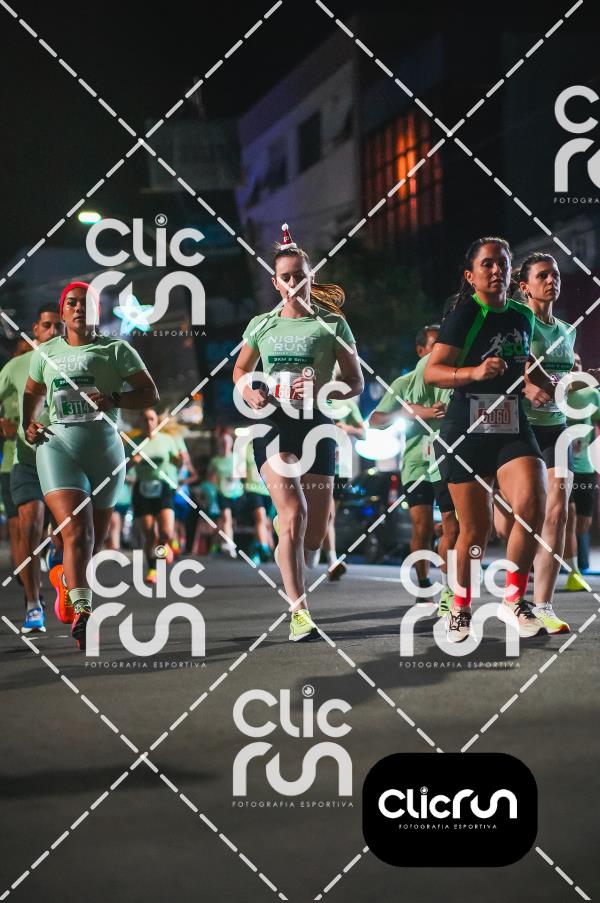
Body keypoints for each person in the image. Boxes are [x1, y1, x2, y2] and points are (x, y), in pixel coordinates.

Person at [233, 223, 363, 641]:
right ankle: (299, 611)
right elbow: (240, 370)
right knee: (294, 514)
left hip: (317, 426)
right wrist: (251, 390)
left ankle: (289, 535)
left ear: (311, 277)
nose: (292, 283)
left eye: (299, 275)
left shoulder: (332, 324)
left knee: (314, 534)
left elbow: (355, 382)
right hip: (273, 424)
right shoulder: (262, 324)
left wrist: (323, 390)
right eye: (285, 277)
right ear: (275, 282)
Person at [424, 237, 547, 643]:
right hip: (467, 428)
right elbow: (433, 372)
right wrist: (474, 374)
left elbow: (522, 362)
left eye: (503, 264)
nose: (497, 271)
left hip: (511, 422)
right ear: (470, 275)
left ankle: (514, 600)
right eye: (488, 264)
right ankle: (459, 609)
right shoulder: (464, 315)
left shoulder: (522, 315)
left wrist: (539, 383)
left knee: (533, 504)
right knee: (474, 532)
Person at [23, 282, 158, 650]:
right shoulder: (45, 352)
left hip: (105, 450)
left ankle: (68, 581)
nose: (79, 308)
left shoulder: (116, 350)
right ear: (63, 311)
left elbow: (150, 393)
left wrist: (114, 398)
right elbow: (33, 392)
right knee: (77, 532)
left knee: (92, 542)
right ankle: (84, 612)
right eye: (72, 303)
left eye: (86, 303)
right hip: (57, 447)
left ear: (98, 310)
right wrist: (28, 423)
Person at [494, 254, 574, 633]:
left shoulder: (567, 330)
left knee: (557, 512)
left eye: (555, 274)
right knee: (512, 522)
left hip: (556, 427)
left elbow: (564, 381)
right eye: (543, 275)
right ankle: (513, 592)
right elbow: (508, 363)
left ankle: (543, 605)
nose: (551, 280)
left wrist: (578, 383)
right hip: (518, 426)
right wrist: (526, 386)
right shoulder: (515, 318)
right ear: (524, 285)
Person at [371, 326, 459, 614]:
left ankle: (449, 588)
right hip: (416, 464)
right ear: (421, 351)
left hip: (447, 460)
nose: (440, 351)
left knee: (452, 526)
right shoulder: (404, 383)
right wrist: (408, 412)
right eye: (434, 346)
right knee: (421, 527)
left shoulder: (453, 376)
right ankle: (423, 585)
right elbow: (375, 420)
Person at [0, 311, 63, 633]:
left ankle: (56, 559)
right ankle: (33, 604)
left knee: (64, 533)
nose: (52, 330)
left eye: (58, 326)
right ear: (35, 329)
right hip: (21, 462)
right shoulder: (15, 367)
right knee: (27, 527)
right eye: (46, 325)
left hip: (63, 461)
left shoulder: (73, 363)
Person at [131, 407, 182, 583]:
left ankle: (164, 548)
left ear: (157, 422)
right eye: (145, 419)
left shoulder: (167, 440)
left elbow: (177, 462)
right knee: (149, 533)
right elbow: (124, 467)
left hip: (164, 487)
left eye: (151, 419)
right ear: (140, 422)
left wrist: (180, 460)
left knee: (166, 532)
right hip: (143, 488)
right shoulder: (133, 442)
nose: (148, 423)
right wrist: (132, 461)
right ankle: (152, 569)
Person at [564, 352, 600, 588]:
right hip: (561, 465)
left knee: (583, 523)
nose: (576, 365)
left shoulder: (592, 394)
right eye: (572, 362)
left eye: (579, 362)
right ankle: (573, 572)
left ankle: (567, 559)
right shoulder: (557, 395)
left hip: (586, 466)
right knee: (567, 515)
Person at [322, 393, 366, 580]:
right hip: (316, 463)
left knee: (329, 516)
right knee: (325, 513)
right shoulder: (315, 398)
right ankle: (330, 560)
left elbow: (363, 433)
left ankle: (321, 555)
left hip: (340, 468)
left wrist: (346, 428)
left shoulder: (348, 403)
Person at [207, 429, 244, 557]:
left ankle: (219, 544)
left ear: (231, 444)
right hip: (221, 493)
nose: (224, 444)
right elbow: (210, 478)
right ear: (219, 444)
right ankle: (229, 545)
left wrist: (236, 476)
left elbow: (243, 473)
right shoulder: (215, 461)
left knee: (228, 521)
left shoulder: (237, 457)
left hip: (237, 493)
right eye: (222, 442)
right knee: (226, 518)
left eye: (227, 442)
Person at [244, 438, 274, 565]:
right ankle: (264, 549)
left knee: (266, 523)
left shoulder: (272, 449)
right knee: (260, 517)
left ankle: (255, 549)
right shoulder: (246, 449)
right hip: (253, 489)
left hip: (269, 491)